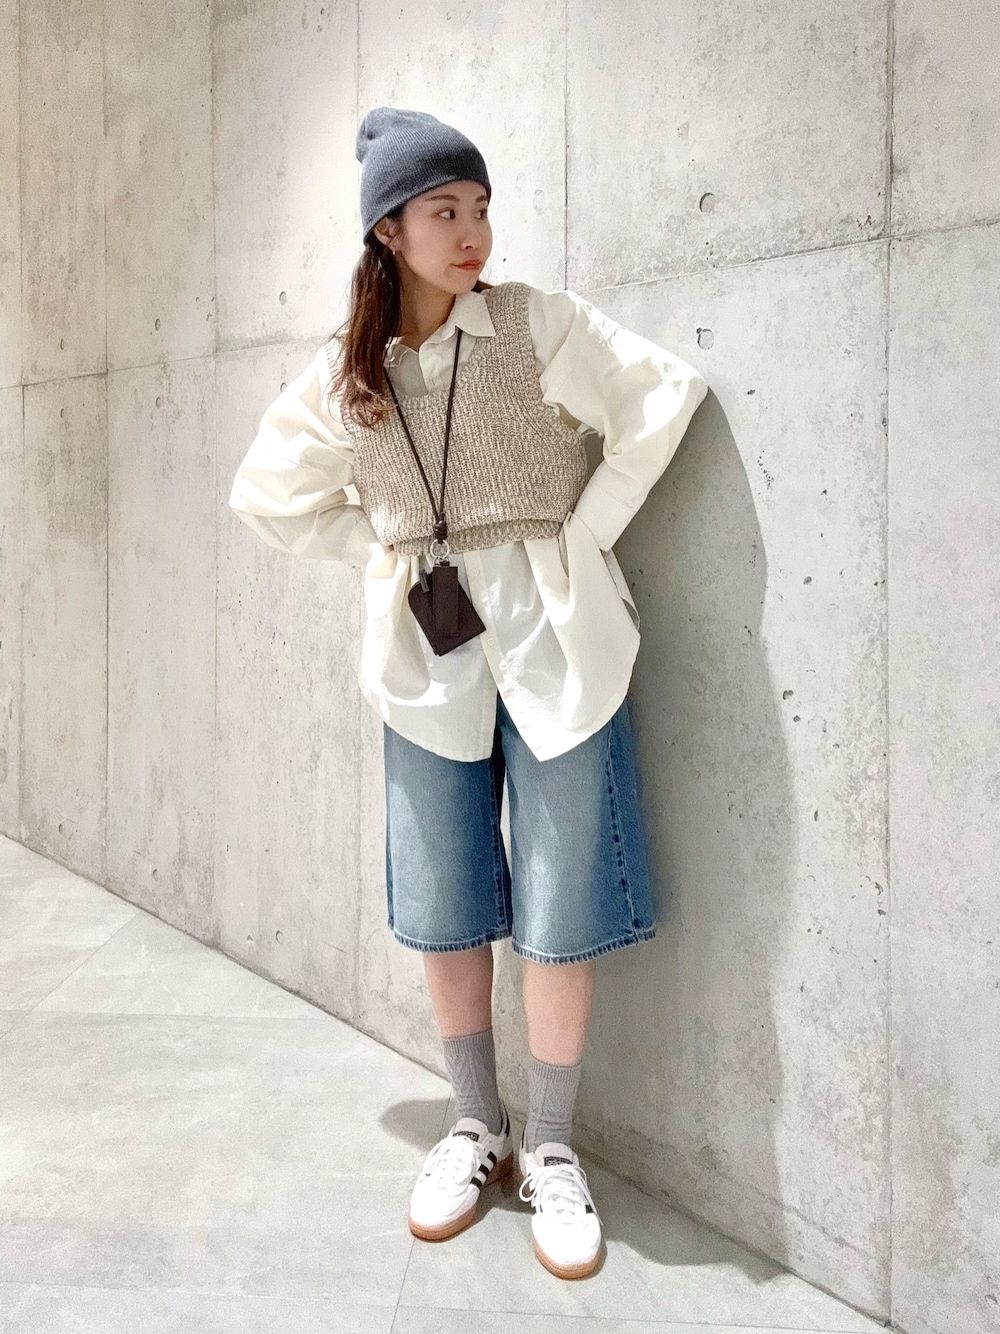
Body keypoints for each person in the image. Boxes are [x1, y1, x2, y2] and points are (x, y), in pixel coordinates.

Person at [229, 105, 708, 1281]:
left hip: (556, 642)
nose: (471, 231)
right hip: (425, 658)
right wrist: (384, 550)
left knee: (561, 896)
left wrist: (584, 530)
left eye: (480, 206)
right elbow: (268, 491)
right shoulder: (352, 373)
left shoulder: (535, 324)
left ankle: (552, 1146)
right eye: (443, 210)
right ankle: (472, 1124)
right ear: (386, 230)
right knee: (447, 898)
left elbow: (663, 394)